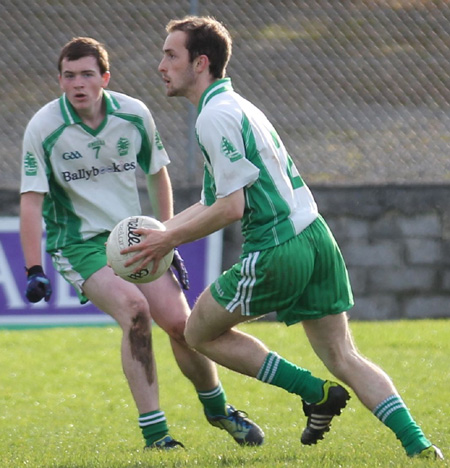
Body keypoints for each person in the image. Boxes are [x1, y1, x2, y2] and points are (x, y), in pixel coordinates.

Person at [123, 16, 444, 460]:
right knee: (344, 355)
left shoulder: (214, 118)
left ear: (200, 63)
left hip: (278, 248)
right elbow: (215, 198)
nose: (160, 65)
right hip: (315, 237)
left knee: (197, 332)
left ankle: (313, 392)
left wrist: (167, 241)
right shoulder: (237, 105)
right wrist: (165, 231)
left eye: (170, 55)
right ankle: (419, 445)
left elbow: (230, 209)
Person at [19, 36, 264, 450]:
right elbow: (31, 201)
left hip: (132, 236)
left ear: (105, 78)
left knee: (183, 326)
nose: (78, 83)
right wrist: (33, 269)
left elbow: (156, 173)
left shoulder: (133, 114)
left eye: (87, 74)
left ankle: (218, 409)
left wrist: (165, 237)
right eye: (69, 75)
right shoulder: (44, 128)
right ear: (59, 80)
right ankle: (156, 435)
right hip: (79, 244)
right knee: (135, 311)